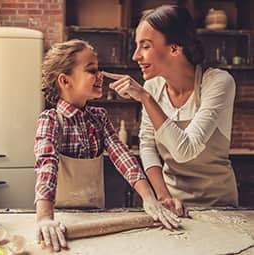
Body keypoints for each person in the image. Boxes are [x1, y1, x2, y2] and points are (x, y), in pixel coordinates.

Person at [34, 39, 180, 252]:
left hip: (96, 216)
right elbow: (46, 166)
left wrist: (149, 199)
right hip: (62, 221)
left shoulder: (98, 118)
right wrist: (45, 218)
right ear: (65, 81)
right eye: (91, 70)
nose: (100, 76)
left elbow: (123, 157)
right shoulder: (51, 120)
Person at [106, 5, 238, 212]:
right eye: (136, 46)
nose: (136, 56)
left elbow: (185, 150)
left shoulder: (217, 82)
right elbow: (147, 144)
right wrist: (164, 197)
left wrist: (145, 99)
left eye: (146, 46)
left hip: (219, 205)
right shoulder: (153, 87)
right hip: (173, 203)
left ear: (174, 48)